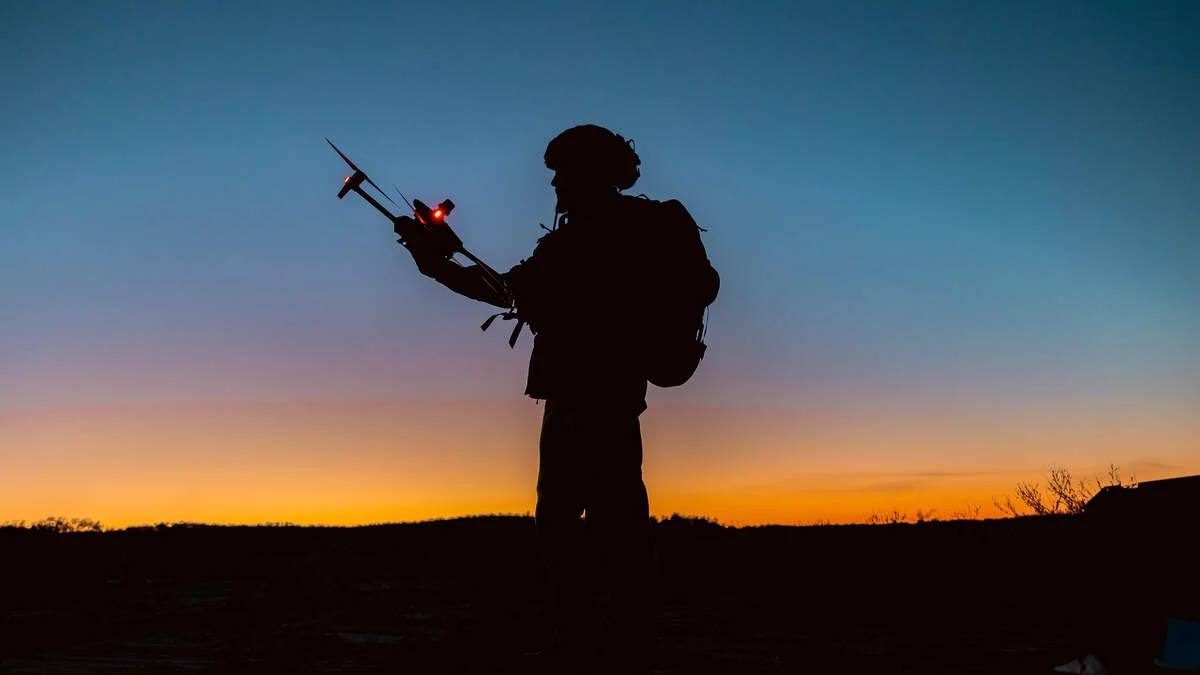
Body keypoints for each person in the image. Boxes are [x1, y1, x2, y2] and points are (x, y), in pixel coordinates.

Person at [401, 124, 717, 673]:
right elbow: (511, 290)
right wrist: (437, 262)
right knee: (595, 521)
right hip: (593, 397)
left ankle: (603, 643)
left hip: (595, 397)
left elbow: (510, 291)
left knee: (584, 524)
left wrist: (440, 262)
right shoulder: (587, 238)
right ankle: (605, 640)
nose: (554, 185)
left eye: (562, 173)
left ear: (591, 174)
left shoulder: (596, 238)